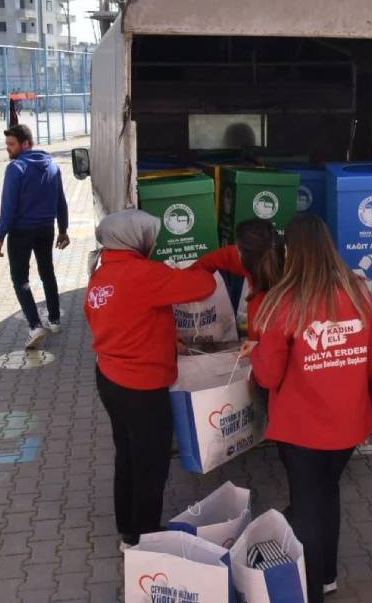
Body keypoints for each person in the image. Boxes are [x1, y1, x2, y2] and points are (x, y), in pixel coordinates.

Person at [248, 213, 372, 602]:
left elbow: (270, 377)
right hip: (348, 424)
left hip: (302, 429)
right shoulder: (359, 291)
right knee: (328, 493)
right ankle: (325, 576)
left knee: (307, 505)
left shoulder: (282, 302)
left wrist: (256, 354)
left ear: (290, 251)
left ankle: (311, 590)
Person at [84, 209, 216, 549]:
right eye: (151, 236)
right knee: (151, 463)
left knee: (127, 454)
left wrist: (162, 336)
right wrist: (214, 259)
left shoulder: (102, 273)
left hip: (109, 378)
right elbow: (202, 286)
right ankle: (142, 537)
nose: (155, 242)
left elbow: (124, 319)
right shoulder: (143, 274)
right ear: (134, 239)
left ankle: (127, 527)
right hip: (141, 387)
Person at [0, 123, 70, 349]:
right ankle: (55, 320)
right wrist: (63, 229)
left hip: (21, 230)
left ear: (25, 144)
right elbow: (61, 200)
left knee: (20, 279)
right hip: (45, 228)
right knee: (47, 271)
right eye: (7, 144)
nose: (8, 149)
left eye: (11, 144)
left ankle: (35, 325)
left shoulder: (16, 168)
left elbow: (8, 206)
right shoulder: (52, 165)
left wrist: (0, 236)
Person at [191, 218, 284, 340]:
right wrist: (193, 284)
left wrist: (258, 348)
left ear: (247, 258)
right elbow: (210, 261)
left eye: (239, 249)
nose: (236, 251)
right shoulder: (255, 257)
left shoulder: (290, 286)